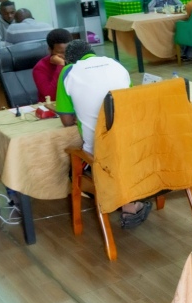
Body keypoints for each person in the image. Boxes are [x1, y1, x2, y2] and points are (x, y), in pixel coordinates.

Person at [55, 40, 148, 227]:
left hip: (99, 156)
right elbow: (129, 101)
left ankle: (117, 199)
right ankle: (130, 203)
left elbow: (66, 121)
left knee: (77, 161)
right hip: (134, 147)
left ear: (69, 61)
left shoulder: (68, 72)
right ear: (92, 53)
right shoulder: (116, 64)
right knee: (118, 150)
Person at [32, 28, 72, 101]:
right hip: (52, 105)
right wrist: (61, 65)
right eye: (61, 52)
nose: (65, 55)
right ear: (50, 50)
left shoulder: (76, 61)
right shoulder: (40, 68)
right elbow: (51, 96)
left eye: (68, 51)